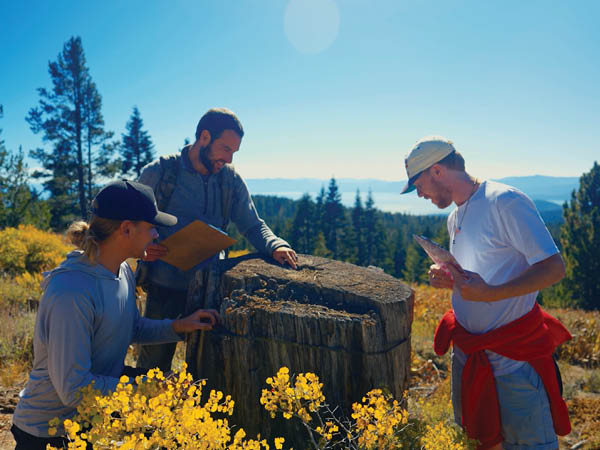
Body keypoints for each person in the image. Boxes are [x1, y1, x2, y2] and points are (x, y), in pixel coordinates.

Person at [11, 180, 220, 450]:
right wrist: (147, 388)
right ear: (127, 228)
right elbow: (74, 389)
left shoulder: (121, 271)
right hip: (46, 433)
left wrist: (179, 327)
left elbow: (129, 327)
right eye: (151, 227)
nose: (156, 235)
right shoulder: (72, 292)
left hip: (87, 421)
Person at [401, 136, 571, 450]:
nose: (419, 194)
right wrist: (452, 279)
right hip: (470, 355)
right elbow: (482, 274)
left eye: (418, 184)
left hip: (513, 360)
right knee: (476, 443)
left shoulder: (504, 201)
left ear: (437, 171)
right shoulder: (455, 217)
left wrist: (491, 294)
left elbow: (554, 268)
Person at [136, 107, 298, 372]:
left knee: (208, 374)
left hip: (212, 290)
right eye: (225, 148)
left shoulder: (230, 180)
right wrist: (143, 248)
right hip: (163, 289)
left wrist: (275, 244)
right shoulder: (162, 172)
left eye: (234, 152)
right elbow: (129, 220)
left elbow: (252, 224)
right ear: (204, 137)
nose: (229, 158)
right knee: (151, 371)